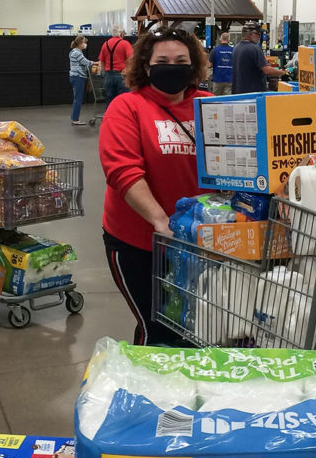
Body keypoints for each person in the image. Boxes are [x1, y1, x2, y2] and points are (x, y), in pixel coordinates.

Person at [99, 28, 211, 346]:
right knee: (158, 328)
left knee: (201, 327)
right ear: (146, 67)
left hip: (201, 243)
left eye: (181, 60)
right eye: (163, 60)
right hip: (140, 243)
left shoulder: (212, 106)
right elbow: (122, 171)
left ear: (193, 67)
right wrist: (159, 219)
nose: (172, 66)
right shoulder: (127, 107)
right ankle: (149, 390)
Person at [231, 22, 286, 94]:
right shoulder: (254, 48)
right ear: (251, 34)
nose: (259, 37)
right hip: (253, 94)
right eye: (258, 34)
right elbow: (267, 70)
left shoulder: (236, 48)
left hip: (238, 93)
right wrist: (282, 72)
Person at [98, 25, 133, 109]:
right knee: (123, 100)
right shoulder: (125, 44)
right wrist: (128, 70)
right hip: (121, 75)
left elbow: (102, 61)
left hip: (108, 76)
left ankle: (110, 119)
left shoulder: (105, 44)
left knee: (110, 100)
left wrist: (103, 73)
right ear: (121, 34)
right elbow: (131, 59)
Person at [69, 35, 97, 126]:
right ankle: (75, 119)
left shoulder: (75, 52)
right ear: (80, 43)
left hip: (76, 77)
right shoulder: (77, 53)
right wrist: (96, 62)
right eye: (85, 42)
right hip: (78, 77)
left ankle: (75, 118)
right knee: (78, 99)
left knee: (78, 98)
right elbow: (85, 62)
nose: (85, 44)